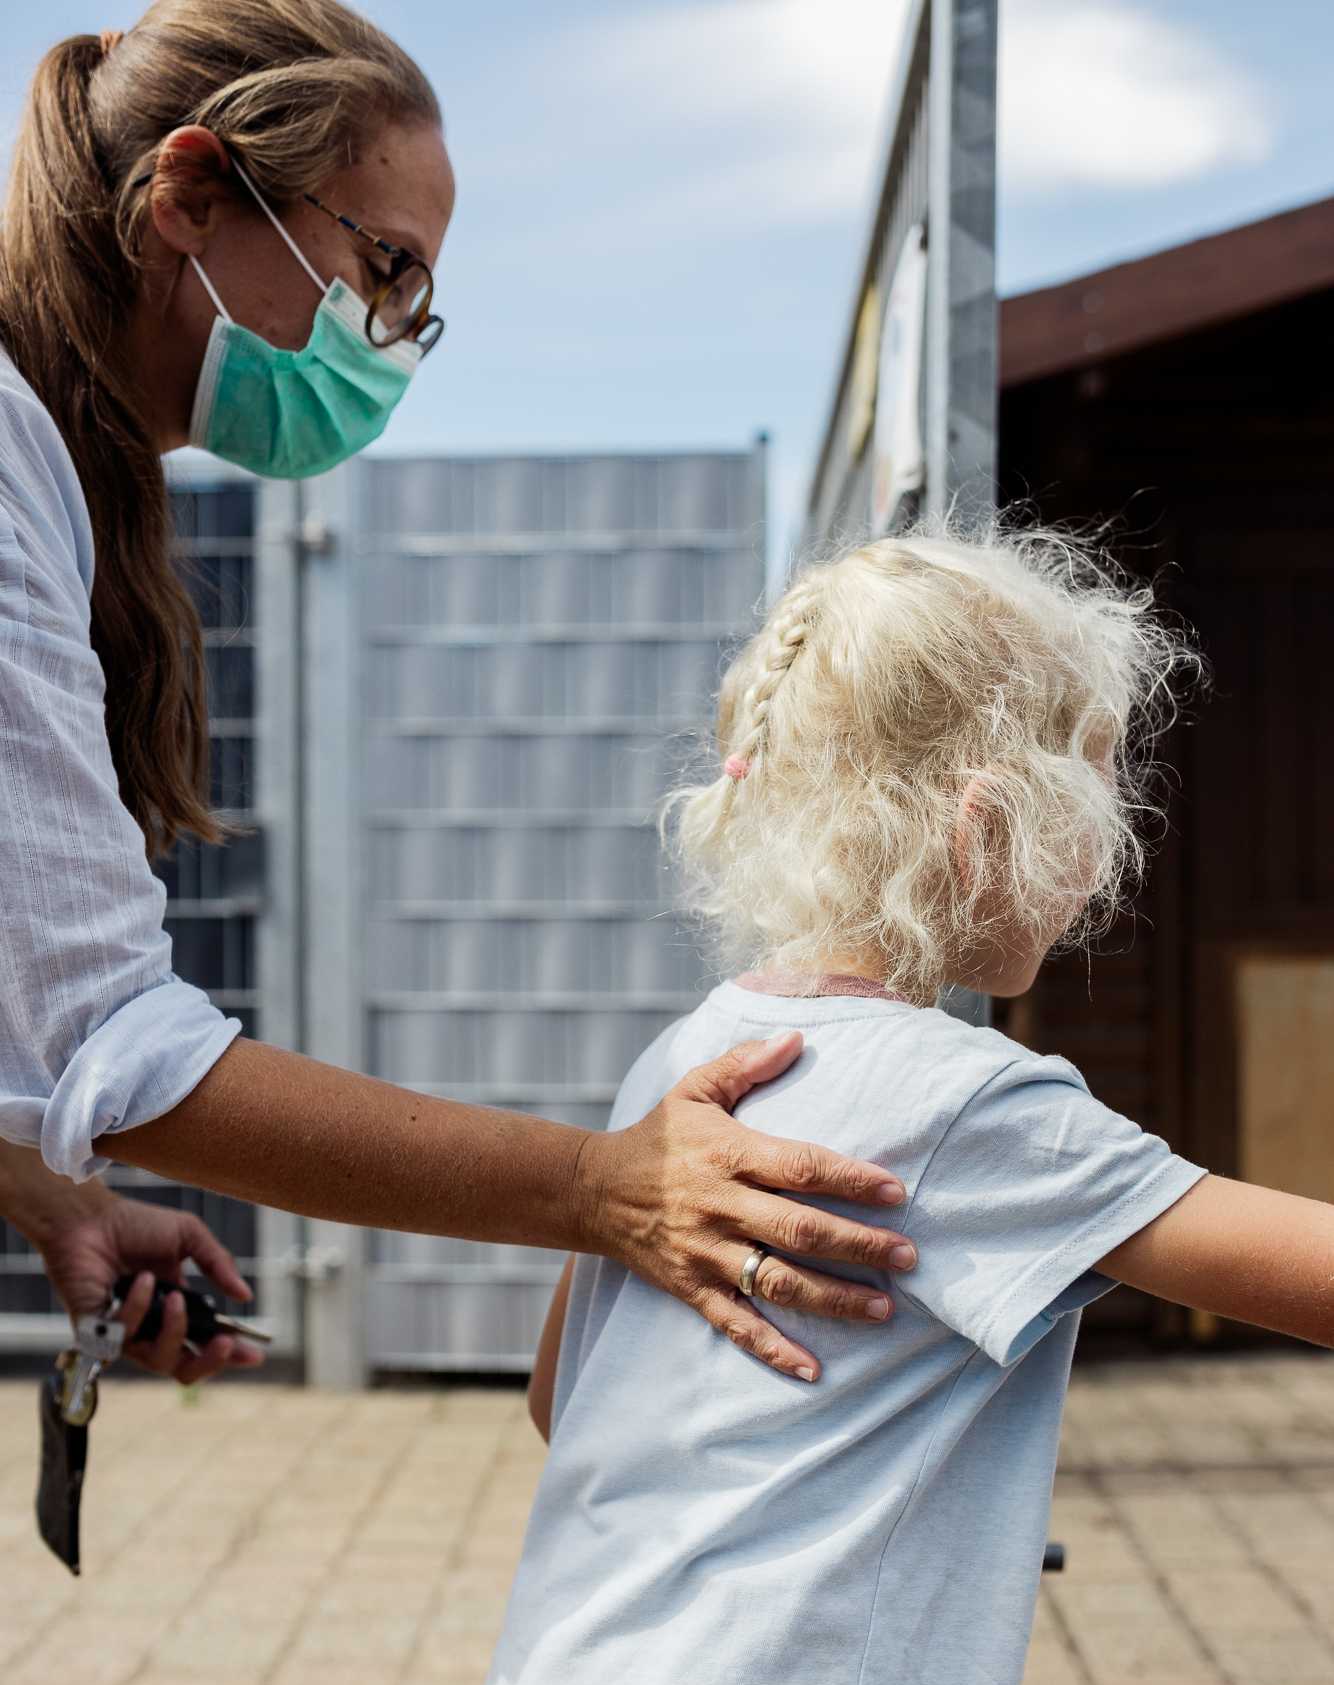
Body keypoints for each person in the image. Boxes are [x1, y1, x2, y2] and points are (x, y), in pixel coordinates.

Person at [456, 526, 1334, 1685]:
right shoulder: (972, 1106)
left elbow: (561, 1395)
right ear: (987, 827)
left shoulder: (689, 1059)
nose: (1107, 857)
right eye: (1098, 801)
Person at [0, 0, 920, 1383]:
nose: (388, 337)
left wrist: (54, 1193)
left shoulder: (60, 474)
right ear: (192, 192)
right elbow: (112, 1045)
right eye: (383, 268)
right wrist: (604, 1187)